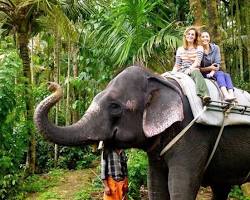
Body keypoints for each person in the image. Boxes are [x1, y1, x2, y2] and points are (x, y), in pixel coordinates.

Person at [172, 26, 211, 104]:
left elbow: (197, 62)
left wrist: (189, 69)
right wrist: (172, 73)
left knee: (196, 71)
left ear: (195, 37)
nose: (190, 36)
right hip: (181, 70)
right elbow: (177, 65)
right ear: (185, 36)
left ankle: (204, 94)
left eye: (192, 34)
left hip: (193, 68)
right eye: (188, 34)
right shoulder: (180, 49)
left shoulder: (199, 48)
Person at [200, 31, 236, 102]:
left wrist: (212, 72)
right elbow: (198, 67)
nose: (205, 38)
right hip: (203, 72)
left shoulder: (215, 48)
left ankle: (231, 94)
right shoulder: (199, 49)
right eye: (203, 37)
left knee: (226, 75)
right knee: (220, 73)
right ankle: (225, 95)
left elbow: (217, 63)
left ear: (209, 38)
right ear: (200, 39)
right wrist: (210, 68)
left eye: (207, 36)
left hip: (213, 71)